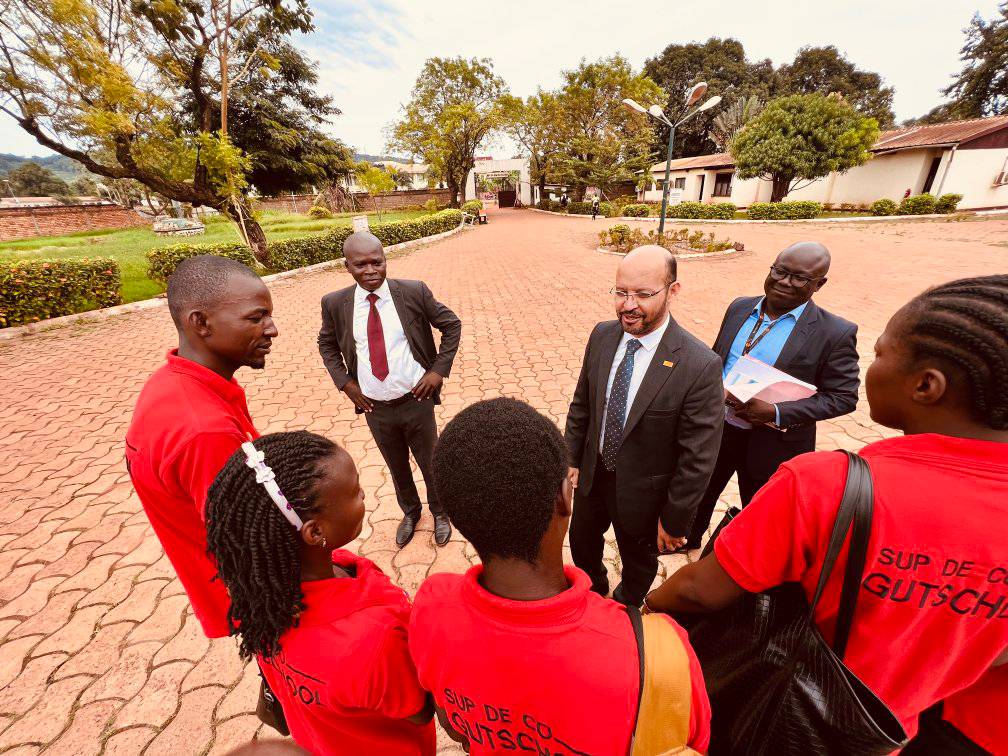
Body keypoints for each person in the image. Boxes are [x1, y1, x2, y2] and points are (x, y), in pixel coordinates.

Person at [645, 275, 1008, 740]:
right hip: (913, 729)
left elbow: (700, 591)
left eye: (879, 354)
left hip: (790, 715)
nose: (869, 366)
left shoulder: (825, 485)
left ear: (926, 386)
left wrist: (646, 608)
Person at [410, 398, 710, 754]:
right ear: (564, 500)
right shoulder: (660, 655)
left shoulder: (431, 606)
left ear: (458, 516)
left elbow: (453, 726)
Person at [206, 431, 435, 755]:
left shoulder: (262, 597)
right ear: (315, 531)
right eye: (355, 492)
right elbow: (420, 710)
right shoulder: (373, 639)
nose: (364, 495)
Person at [125, 255, 278, 638]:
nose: (272, 329)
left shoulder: (170, 382)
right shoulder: (205, 431)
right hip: (254, 597)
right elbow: (248, 545)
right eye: (256, 317)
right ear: (201, 323)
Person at [565, 245, 724, 607]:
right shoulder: (602, 336)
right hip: (593, 476)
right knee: (582, 544)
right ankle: (595, 593)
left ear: (673, 291)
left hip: (644, 494)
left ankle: (626, 604)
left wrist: (675, 519)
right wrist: (571, 457)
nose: (628, 304)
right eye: (620, 292)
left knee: (638, 561)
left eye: (643, 294)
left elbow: (698, 458)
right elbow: (583, 403)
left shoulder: (699, 365)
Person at [686, 241, 859, 550]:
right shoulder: (739, 307)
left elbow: (844, 397)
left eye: (799, 278)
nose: (784, 282)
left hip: (773, 443)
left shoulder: (834, 333)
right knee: (700, 491)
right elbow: (717, 359)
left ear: (819, 284)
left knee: (761, 511)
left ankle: (741, 562)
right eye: (780, 271)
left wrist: (776, 412)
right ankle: (688, 539)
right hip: (718, 429)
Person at [318, 232, 461, 549]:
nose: (370, 270)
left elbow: (451, 325)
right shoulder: (336, 303)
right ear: (347, 266)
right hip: (375, 406)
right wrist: (346, 384)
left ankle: (440, 512)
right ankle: (410, 512)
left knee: (430, 460)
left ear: (385, 261)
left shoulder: (412, 292)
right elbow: (326, 345)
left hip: (416, 398)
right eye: (361, 264)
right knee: (396, 464)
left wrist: (437, 372)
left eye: (376, 262)